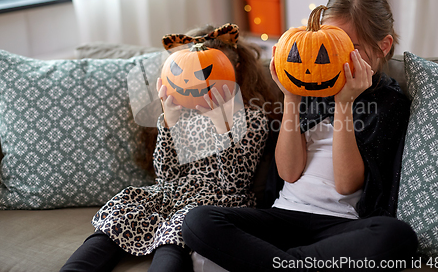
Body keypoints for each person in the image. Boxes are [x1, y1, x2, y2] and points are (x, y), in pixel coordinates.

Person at [182, 0, 419, 271]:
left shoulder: (389, 102)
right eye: (331, 45)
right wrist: (291, 97)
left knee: (397, 236)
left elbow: (346, 185)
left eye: (350, 48)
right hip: (285, 217)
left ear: (383, 45)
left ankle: (278, 264)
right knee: (198, 222)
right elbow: (288, 172)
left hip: (342, 227)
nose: (336, 58)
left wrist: (345, 103)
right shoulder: (310, 87)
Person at [60, 23, 277, 272]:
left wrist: (222, 127)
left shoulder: (252, 119)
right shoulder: (181, 113)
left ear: (235, 71)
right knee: (123, 215)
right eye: (188, 72)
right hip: (172, 194)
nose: (197, 82)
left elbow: (234, 183)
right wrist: (169, 122)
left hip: (216, 203)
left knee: (176, 232)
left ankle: (169, 254)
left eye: (208, 72)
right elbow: (167, 177)